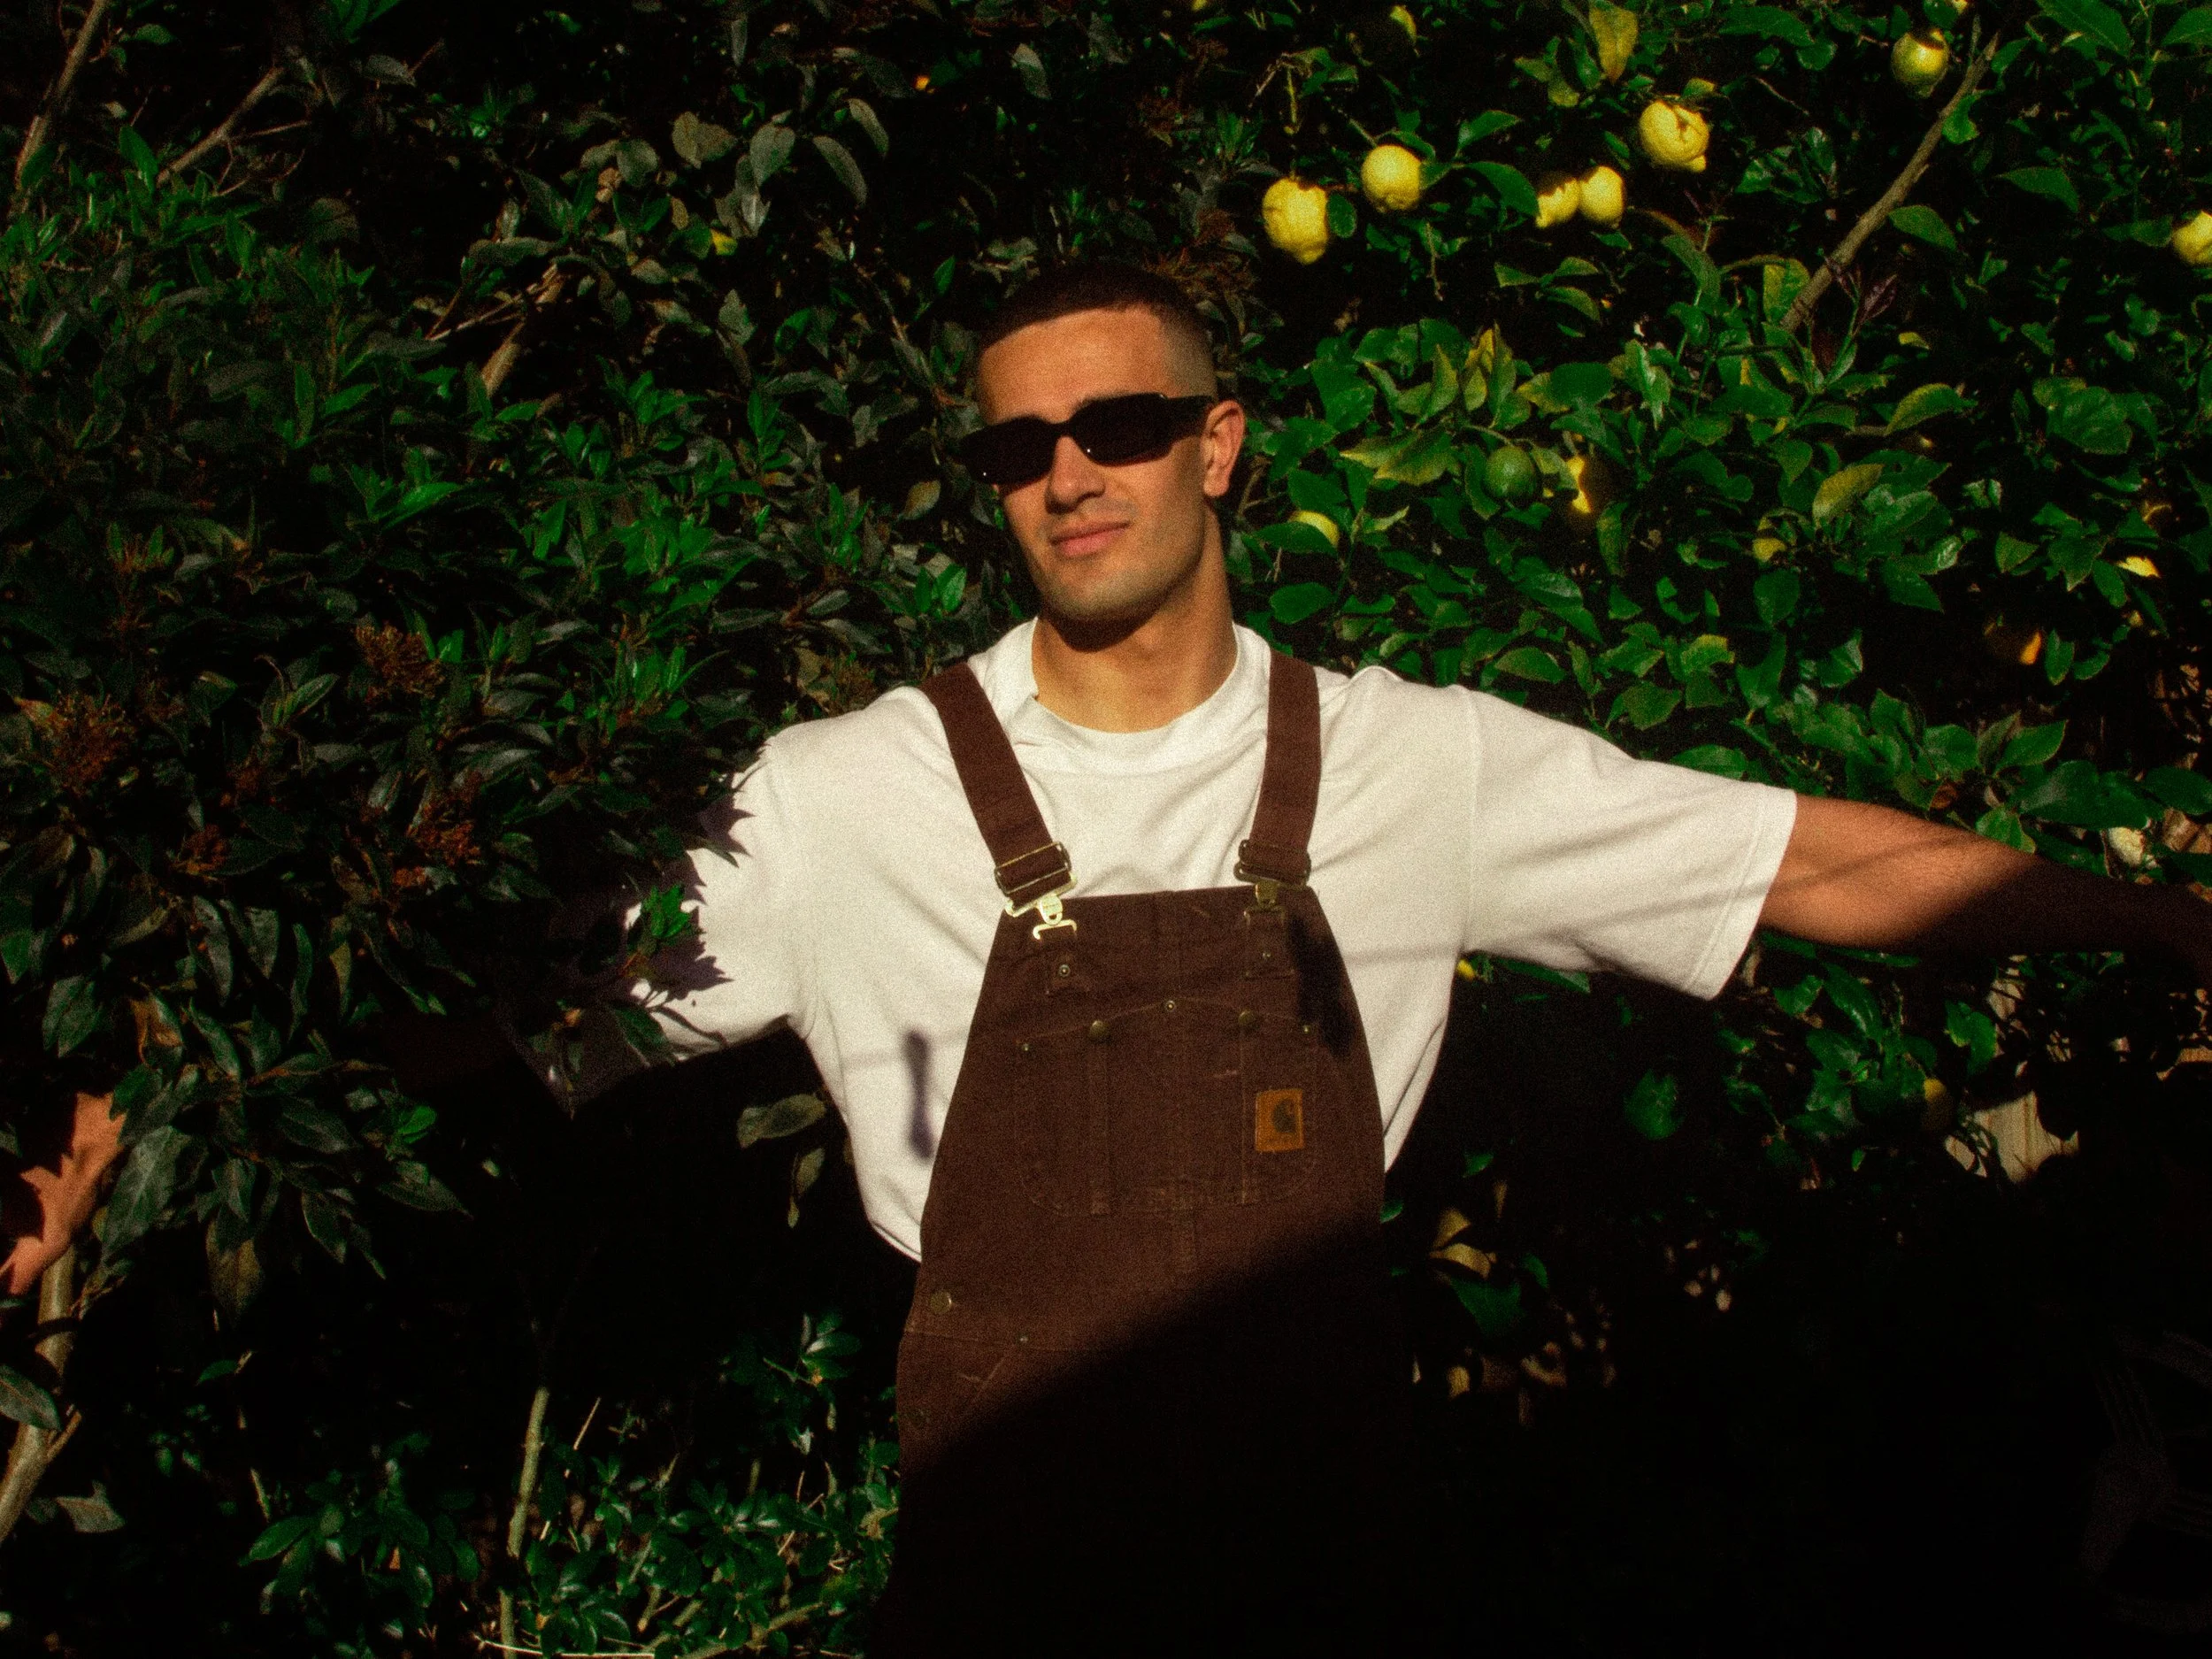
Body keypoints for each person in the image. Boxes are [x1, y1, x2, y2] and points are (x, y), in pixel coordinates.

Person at [14, 262, 2209, 1652]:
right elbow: (515, 1016)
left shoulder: (1412, 763)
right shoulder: (841, 793)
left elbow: (1801, 864)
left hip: (1329, 1568)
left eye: (1119, 425)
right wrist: (163, 1099)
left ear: (1215, 444)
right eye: (1018, 445)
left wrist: (2156, 917)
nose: (1068, 473)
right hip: (1009, 1580)